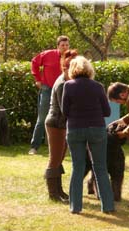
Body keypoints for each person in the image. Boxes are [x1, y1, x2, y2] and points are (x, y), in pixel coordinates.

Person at [62, 56, 115, 214]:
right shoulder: (98, 86)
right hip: (96, 128)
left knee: (77, 167)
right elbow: (107, 111)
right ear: (89, 69)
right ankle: (107, 206)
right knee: (100, 167)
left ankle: (75, 207)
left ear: (72, 69)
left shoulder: (68, 86)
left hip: (75, 128)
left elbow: (65, 111)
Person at [43, 49, 78, 204]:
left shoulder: (67, 80)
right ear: (65, 66)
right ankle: (53, 193)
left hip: (61, 124)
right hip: (56, 124)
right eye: (73, 65)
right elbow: (65, 109)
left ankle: (59, 191)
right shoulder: (63, 84)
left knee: (60, 158)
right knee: (55, 159)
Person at [28, 35, 70, 155]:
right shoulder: (47, 54)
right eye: (62, 45)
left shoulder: (71, 57)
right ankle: (34, 147)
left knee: (66, 117)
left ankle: (66, 147)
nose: (65, 47)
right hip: (47, 88)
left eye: (67, 45)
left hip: (64, 89)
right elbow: (34, 62)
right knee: (42, 118)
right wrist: (37, 79)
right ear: (58, 46)